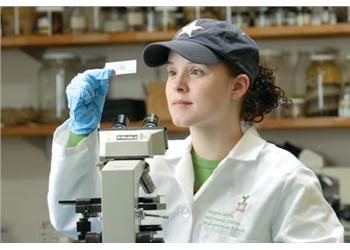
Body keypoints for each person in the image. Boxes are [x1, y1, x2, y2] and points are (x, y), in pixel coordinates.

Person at [47, 18, 344, 242]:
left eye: (196, 71)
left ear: (238, 86)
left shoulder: (284, 178)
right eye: (172, 72)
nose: (177, 85)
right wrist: (79, 130)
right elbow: (73, 220)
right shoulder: (148, 167)